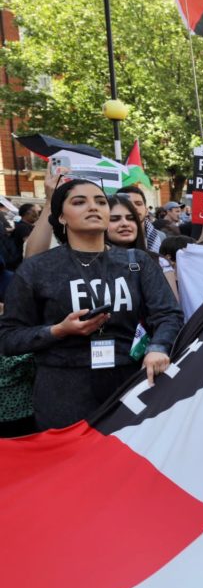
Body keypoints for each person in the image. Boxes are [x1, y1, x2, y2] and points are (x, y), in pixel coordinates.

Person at [0, 180, 182, 430]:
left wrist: (159, 347)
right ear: (61, 217)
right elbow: (9, 338)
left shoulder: (137, 262)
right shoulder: (37, 269)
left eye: (100, 202)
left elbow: (168, 314)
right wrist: (58, 330)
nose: (93, 207)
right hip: (63, 390)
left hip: (128, 383)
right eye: (79, 202)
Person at [116, 185, 164, 253]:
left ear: (146, 210)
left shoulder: (161, 237)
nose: (134, 207)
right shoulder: (108, 237)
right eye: (128, 203)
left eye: (138, 204)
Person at [9, 203, 41, 269]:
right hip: (23, 261)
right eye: (34, 212)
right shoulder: (23, 227)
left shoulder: (24, 225)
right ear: (27, 213)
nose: (37, 215)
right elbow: (30, 245)